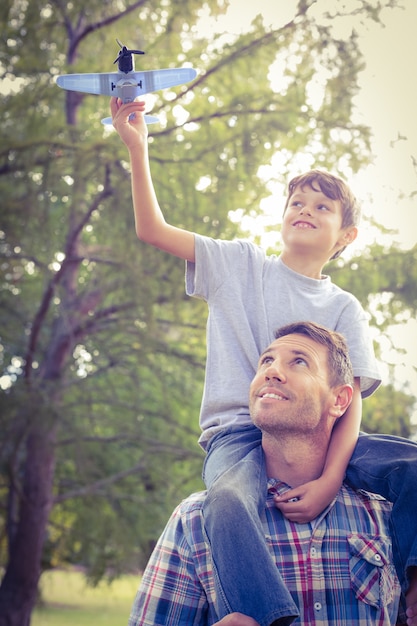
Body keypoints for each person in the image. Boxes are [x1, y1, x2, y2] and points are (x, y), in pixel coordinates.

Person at [111, 97, 417, 625]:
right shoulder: (238, 264)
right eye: (296, 201)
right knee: (226, 502)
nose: (304, 209)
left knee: (413, 467)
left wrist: (330, 479)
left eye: (322, 207)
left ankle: (414, 588)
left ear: (346, 236)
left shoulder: (343, 307)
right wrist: (138, 148)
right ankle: (265, 616)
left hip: (320, 437)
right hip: (237, 432)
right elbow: (152, 230)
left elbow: (350, 405)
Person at [127, 322, 404, 625]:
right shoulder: (194, 521)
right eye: (266, 361)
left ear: (339, 400)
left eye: (299, 361)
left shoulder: (386, 515)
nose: (272, 371)